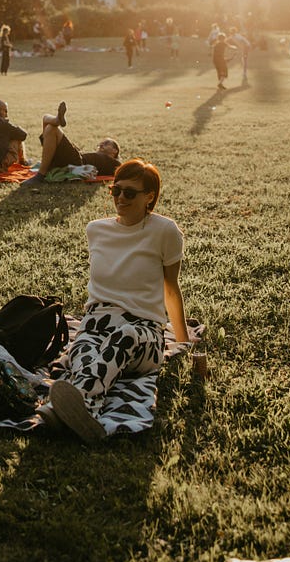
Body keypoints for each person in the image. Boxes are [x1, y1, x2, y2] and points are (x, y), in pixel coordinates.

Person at [42, 159, 189, 443]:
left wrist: (183, 341)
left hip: (142, 333)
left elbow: (171, 289)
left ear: (149, 197)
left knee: (125, 336)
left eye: (130, 192)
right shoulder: (96, 230)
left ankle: (75, 406)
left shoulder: (165, 231)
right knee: (83, 352)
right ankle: (84, 412)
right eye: (116, 190)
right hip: (96, 323)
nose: (120, 198)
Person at [25, 101, 121, 181]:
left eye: (107, 143)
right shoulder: (99, 157)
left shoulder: (114, 163)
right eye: (102, 142)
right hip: (72, 159)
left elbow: (123, 170)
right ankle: (57, 120)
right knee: (46, 119)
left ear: (115, 151)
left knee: (51, 128)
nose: (102, 143)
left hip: (77, 162)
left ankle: (41, 174)